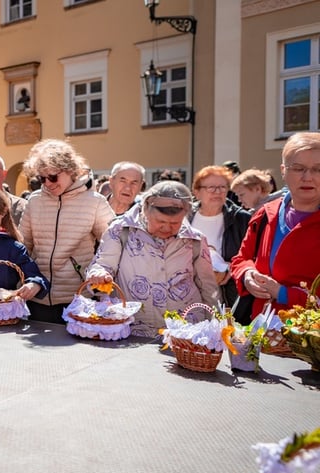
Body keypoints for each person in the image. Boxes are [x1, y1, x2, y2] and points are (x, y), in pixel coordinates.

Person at [84, 181, 220, 337]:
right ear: (146, 210)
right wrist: (99, 275)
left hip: (184, 335)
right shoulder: (121, 231)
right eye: (160, 221)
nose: (167, 228)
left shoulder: (195, 240)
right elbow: (102, 264)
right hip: (133, 333)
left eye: (175, 223)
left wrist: (215, 330)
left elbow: (209, 288)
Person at [19, 139, 116, 323]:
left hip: (77, 299)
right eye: (42, 178)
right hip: (37, 297)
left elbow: (112, 244)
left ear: (71, 170)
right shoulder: (34, 201)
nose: (47, 183)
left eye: (53, 177)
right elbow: (24, 246)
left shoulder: (94, 202)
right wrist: (29, 280)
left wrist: (98, 276)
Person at [231, 132, 320, 319]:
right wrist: (247, 275)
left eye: (317, 169)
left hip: (309, 341)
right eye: (298, 168)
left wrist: (283, 293)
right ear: (283, 171)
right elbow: (241, 259)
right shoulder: (265, 213)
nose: (307, 177)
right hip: (261, 333)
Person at [188, 166, 252, 322]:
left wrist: (231, 268)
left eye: (222, 187)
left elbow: (252, 256)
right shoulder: (185, 217)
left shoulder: (241, 218)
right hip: (188, 292)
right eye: (211, 188)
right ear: (197, 192)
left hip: (225, 294)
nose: (217, 192)